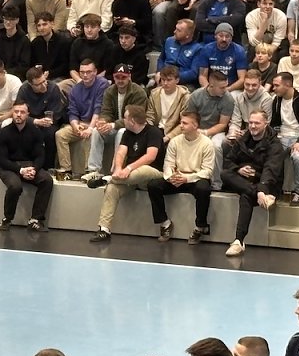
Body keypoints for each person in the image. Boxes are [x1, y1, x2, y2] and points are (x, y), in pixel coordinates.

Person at [88, 104, 165, 242]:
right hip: (128, 178)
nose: (123, 120)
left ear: (132, 121)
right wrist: (118, 168)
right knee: (112, 189)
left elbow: (150, 157)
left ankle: (107, 178)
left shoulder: (154, 132)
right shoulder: (127, 133)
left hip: (152, 174)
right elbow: (121, 152)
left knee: (142, 171)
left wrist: (128, 168)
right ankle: (104, 229)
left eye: (125, 117)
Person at [147, 110, 215, 244]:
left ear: (195, 125)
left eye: (185, 123)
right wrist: (171, 177)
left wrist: (187, 178)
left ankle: (200, 226)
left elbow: (207, 171)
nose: (181, 126)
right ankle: (165, 223)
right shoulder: (175, 141)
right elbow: (168, 164)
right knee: (153, 185)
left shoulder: (207, 143)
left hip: (195, 179)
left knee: (203, 188)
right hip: (177, 178)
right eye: (181, 122)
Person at [83, 64, 149, 181]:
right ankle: (93, 170)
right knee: (96, 131)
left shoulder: (138, 92)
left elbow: (134, 118)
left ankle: (115, 171)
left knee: (122, 132)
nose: (120, 80)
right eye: (117, 77)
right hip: (113, 127)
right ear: (113, 77)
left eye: (123, 77)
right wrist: (103, 122)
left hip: (133, 130)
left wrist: (113, 125)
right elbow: (106, 112)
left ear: (129, 76)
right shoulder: (109, 91)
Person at [0, 100, 54, 231]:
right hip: (9, 167)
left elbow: (40, 156)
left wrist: (34, 169)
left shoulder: (35, 132)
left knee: (47, 180)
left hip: (29, 165)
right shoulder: (3, 133)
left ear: (28, 114)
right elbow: (2, 159)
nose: (18, 114)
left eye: (22, 112)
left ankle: (35, 219)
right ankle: (7, 219)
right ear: (12, 113)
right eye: (16, 111)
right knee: (15, 186)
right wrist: (20, 170)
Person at [55, 58, 110, 180]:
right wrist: (76, 126)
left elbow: (98, 108)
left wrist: (90, 128)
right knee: (60, 135)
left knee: (91, 134)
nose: (85, 75)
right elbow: (72, 112)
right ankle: (66, 170)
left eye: (88, 72)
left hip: (98, 121)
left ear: (95, 72)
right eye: (82, 72)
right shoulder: (76, 89)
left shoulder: (102, 84)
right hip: (81, 122)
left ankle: (88, 171)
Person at [270, 71, 299, 207]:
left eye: (277, 85)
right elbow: (274, 124)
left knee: (297, 156)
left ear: (288, 84)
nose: (273, 88)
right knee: (272, 154)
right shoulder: (276, 100)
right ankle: (273, 190)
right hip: (282, 136)